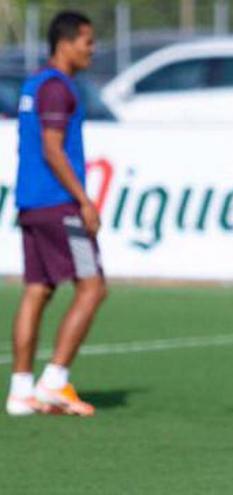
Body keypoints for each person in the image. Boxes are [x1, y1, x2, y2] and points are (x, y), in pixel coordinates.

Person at [5, 11, 106, 417]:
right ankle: (54, 382)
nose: (92, 49)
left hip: (30, 202)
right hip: (57, 203)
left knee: (38, 289)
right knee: (92, 287)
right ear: (65, 43)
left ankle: (20, 390)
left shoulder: (33, 83)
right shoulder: (57, 88)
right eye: (87, 41)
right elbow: (52, 147)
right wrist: (83, 200)